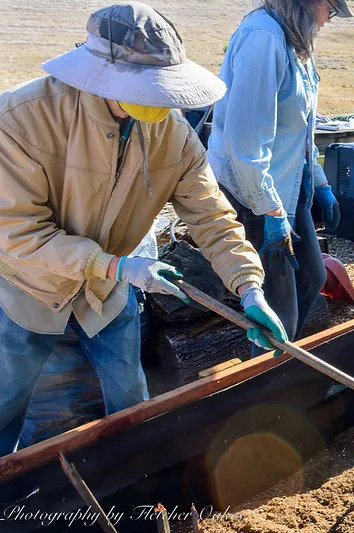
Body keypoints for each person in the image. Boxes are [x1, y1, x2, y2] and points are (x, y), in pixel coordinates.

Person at [0, 2, 286, 456]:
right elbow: (19, 234)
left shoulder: (172, 134)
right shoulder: (21, 119)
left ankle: (140, 490)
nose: (158, 101)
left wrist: (248, 286)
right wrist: (117, 267)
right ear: (100, 74)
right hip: (30, 293)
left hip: (109, 297)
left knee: (133, 407)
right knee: (11, 409)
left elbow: (212, 216)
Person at [208, 0, 353, 345]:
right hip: (253, 192)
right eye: (330, 11)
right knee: (278, 303)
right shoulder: (263, 38)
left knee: (312, 277)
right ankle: (268, 379)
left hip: (290, 185)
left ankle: (283, 355)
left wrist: (318, 182)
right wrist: (269, 210)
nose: (328, 21)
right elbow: (244, 140)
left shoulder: (295, 41)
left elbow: (300, 127)